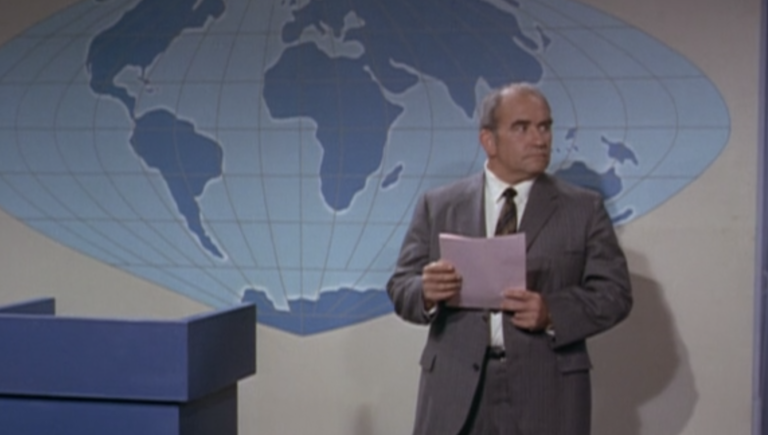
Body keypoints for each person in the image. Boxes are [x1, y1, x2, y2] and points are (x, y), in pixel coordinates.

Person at [386, 82, 632, 435]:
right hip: (456, 391)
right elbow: (400, 286)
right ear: (488, 140)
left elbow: (614, 294)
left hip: (547, 393)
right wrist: (425, 291)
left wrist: (552, 312)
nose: (539, 139)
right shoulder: (439, 205)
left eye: (544, 127)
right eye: (522, 128)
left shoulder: (583, 209)